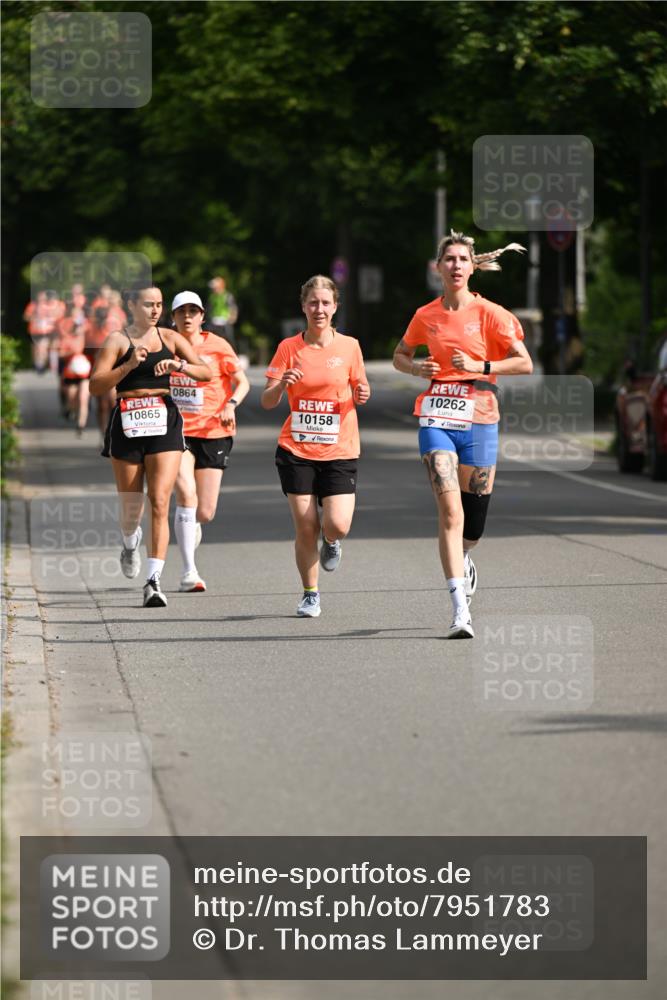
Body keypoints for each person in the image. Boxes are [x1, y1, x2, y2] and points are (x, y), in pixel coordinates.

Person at [392, 231, 532, 639]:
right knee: (450, 513)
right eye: (448, 259)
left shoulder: (491, 313)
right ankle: (459, 611)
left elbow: (523, 363)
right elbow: (402, 354)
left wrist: (480, 363)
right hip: (436, 416)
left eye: (462, 260)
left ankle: (466, 557)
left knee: (473, 524)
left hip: (480, 417)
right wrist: (415, 368)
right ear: (438, 267)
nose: (455, 265)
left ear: (473, 267)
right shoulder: (425, 315)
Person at [90, 285, 211, 608]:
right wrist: (128, 366)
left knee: (160, 500)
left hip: (164, 422)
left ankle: (153, 580)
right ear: (132, 306)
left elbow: (207, 372)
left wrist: (179, 366)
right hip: (127, 422)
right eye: (148, 304)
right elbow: (96, 385)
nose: (156, 310)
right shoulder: (117, 341)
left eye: (159, 304)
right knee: (132, 508)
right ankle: (130, 543)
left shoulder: (170, 340)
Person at [261, 274, 370, 618]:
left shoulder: (350, 346)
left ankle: (333, 541)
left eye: (325, 303)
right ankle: (310, 593)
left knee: (337, 523)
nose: (319, 309)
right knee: (305, 525)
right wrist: (281, 387)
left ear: (335, 306)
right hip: (297, 449)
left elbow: (360, 386)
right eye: (313, 302)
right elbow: (266, 400)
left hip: (340, 449)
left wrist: (363, 393)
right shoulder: (288, 348)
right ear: (303, 306)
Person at [169, 290, 250, 592]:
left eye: (193, 311)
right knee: (186, 495)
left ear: (202, 316)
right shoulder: (165, 344)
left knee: (205, 511)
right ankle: (189, 571)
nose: (187, 317)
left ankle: (192, 524)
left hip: (214, 429)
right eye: (181, 312)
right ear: (173, 316)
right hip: (176, 431)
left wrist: (231, 403)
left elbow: (243, 382)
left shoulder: (217, 345)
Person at [55, 307, 91, 434]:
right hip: (71, 373)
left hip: (86, 374)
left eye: (80, 325)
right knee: (71, 397)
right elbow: (60, 354)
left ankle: (81, 425)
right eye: (76, 325)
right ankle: (71, 410)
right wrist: (72, 353)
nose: (78, 328)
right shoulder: (67, 338)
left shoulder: (88, 338)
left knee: (83, 398)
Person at [207, 276, 238, 347]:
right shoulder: (212, 297)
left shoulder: (227, 296)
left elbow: (233, 308)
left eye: (215, 287)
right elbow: (209, 309)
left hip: (225, 322)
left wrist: (231, 319)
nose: (213, 289)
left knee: (229, 341)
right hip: (213, 322)